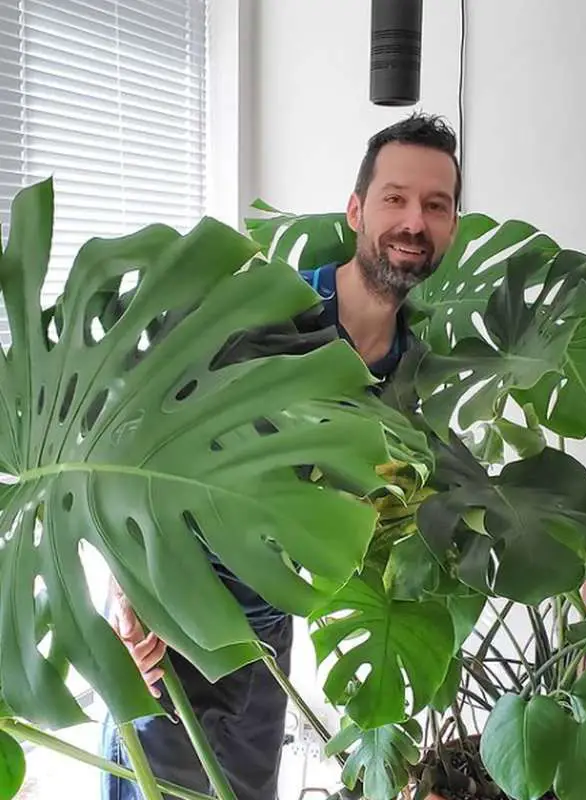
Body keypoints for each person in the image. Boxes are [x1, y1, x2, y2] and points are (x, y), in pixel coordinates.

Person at [100, 111, 461, 800]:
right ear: (357, 210)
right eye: (395, 198)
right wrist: (125, 592)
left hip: (265, 639)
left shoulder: (415, 369)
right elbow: (132, 434)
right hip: (172, 618)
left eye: (434, 205)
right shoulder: (264, 313)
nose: (414, 221)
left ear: (449, 226)